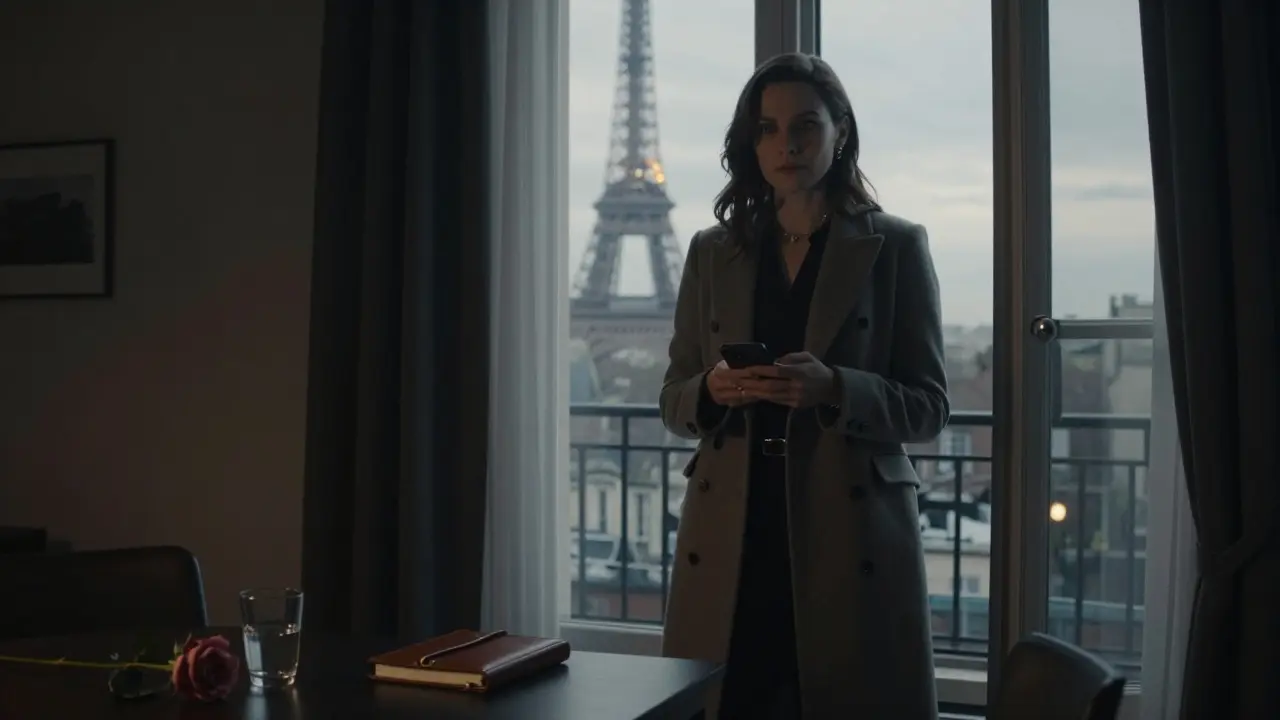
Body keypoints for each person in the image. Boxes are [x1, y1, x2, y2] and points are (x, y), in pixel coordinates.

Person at [658, 52, 950, 719]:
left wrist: (835, 388)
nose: (785, 144)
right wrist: (715, 387)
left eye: (805, 126)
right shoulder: (712, 252)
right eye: (766, 129)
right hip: (735, 524)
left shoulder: (895, 247)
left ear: (840, 132)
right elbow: (674, 399)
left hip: (845, 532)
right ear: (748, 143)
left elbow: (930, 407)